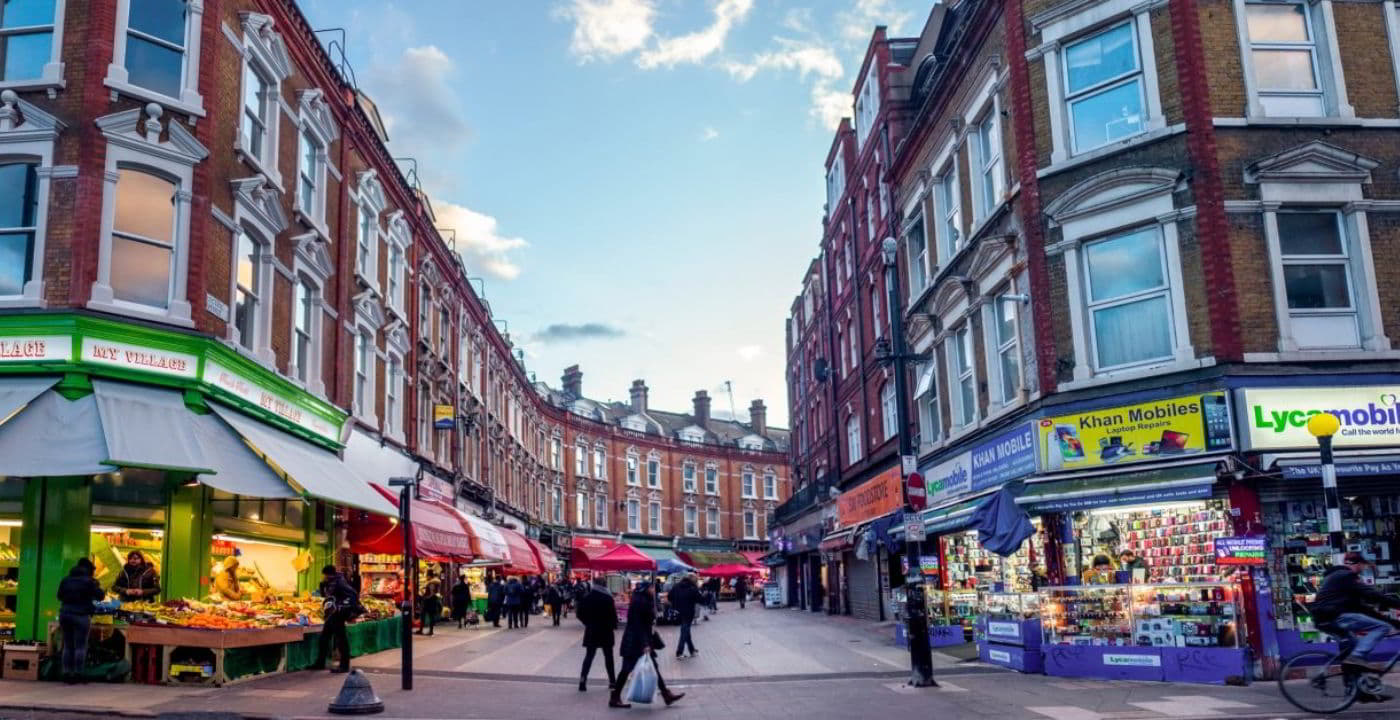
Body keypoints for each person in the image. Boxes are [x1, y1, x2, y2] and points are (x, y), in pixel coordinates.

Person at [1310, 552, 1400, 685]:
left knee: (1353, 646)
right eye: (1363, 567)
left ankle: (1356, 687)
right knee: (1382, 627)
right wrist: (1392, 617)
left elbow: (1362, 608)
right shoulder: (1347, 576)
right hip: (1335, 615)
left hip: (1323, 617)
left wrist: (1392, 621)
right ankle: (1356, 658)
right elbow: (1373, 596)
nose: (1362, 570)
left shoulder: (1335, 577)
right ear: (1358, 564)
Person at [611, 582, 684, 709]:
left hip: (638, 640)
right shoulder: (640, 603)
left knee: (653, 666)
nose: (653, 589)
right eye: (651, 587)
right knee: (626, 669)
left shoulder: (643, 600)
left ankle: (666, 694)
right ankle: (615, 697)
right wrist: (645, 644)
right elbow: (639, 626)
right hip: (635, 642)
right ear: (645, 589)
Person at [56, 558, 104, 684]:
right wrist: (96, 586)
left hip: (65, 614)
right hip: (81, 615)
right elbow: (100, 596)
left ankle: (66, 673)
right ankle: (78, 674)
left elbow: (59, 596)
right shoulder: (89, 581)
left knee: (67, 645)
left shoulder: (66, 580)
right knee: (80, 646)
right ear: (89, 570)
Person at [309, 566, 358, 674]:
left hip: (338, 613)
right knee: (324, 638)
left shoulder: (339, 582)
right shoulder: (331, 582)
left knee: (341, 639)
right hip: (331, 614)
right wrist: (322, 586)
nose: (324, 577)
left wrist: (347, 608)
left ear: (328, 574)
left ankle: (344, 666)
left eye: (324, 575)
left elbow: (353, 593)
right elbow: (326, 596)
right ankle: (320, 662)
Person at [576, 576, 618, 693]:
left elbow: (579, 613)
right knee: (608, 657)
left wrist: (587, 623)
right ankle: (612, 681)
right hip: (606, 631)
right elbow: (613, 615)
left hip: (592, 631)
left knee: (589, 656)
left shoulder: (587, 597)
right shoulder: (608, 598)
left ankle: (582, 680)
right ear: (604, 584)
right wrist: (613, 626)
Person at [667, 575, 700, 658]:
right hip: (688, 613)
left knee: (686, 631)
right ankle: (679, 652)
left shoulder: (676, 586)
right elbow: (700, 599)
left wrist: (675, 603)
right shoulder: (693, 588)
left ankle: (692, 650)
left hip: (677, 612)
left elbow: (669, 597)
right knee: (684, 632)